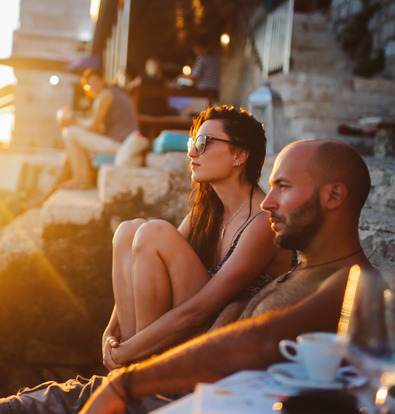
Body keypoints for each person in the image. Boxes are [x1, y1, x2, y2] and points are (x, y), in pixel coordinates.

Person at [0, 138, 376, 414]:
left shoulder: (352, 284)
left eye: (282, 187)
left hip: (162, 399)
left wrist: (128, 383)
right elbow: (230, 331)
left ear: (334, 196)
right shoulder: (301, 273)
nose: (267, 203)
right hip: (158, 392)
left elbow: (252, 342)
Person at [102, 105, 294, 371]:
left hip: (219, 338)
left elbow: (197, 314)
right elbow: (141, 262)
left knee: (154, 232)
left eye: (204, 143)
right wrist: (112, 330)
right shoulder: (207, 210)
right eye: (193, 142)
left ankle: (137, 368)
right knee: (128, 231)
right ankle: (135, 367)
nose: (191, 152)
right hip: (184, 327)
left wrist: (125, 352)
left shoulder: (263, 222)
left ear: (239, 155)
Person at [56, 69, 139, 190]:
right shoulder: (113, 92)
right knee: (74, 135)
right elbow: (99, 129)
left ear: (102, 80)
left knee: (71, 133)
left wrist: (72, 122)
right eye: (90, 84)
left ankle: (82, 179)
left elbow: (93, 128)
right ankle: (82, 178)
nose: (94, 85)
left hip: (122, 145)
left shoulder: (107, 94)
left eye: (96, 81)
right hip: (125, 144)